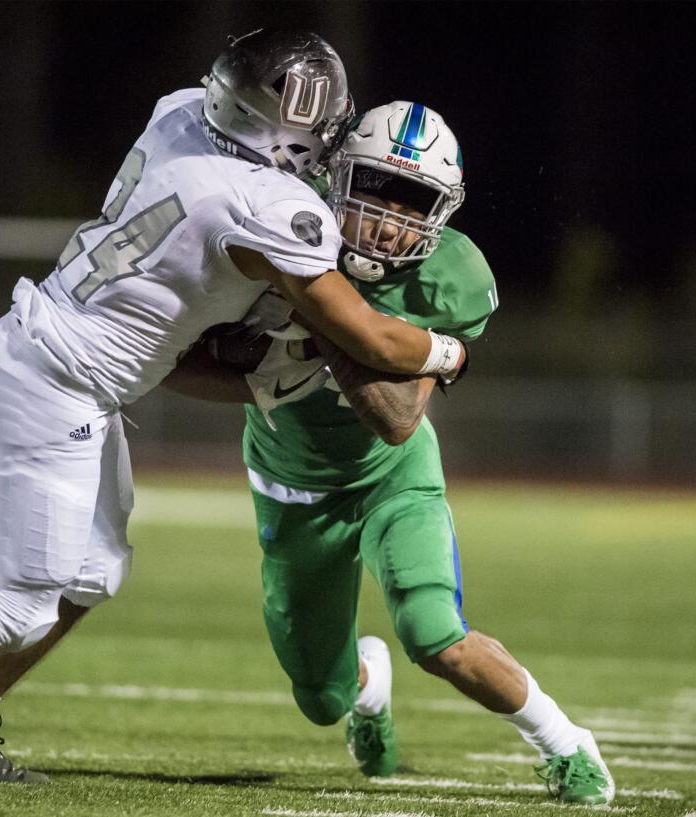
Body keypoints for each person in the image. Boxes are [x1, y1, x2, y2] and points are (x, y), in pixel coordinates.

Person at [0, 31, 470, 782]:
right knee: (15, 605)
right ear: (280, 134)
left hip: (52, 356)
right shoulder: (269, 204)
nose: (323, 140)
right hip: (55, 380)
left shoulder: (181, 112)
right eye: (314, 127)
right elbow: (369, 340)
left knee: (94, 569)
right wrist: (448, 352)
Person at [165, 101, 615, 805]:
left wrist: (318, 320)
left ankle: (565, 742)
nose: (388, 217)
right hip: (292, 486)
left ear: (444, 212)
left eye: (414, 200)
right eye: (375, 186)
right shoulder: (276, 220)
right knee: (321, 694)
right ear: (337, 175)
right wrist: (261, 371)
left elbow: (398, 418)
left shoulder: (449, 276)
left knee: (435, 632)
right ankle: (367, 687)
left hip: (391, 476)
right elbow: (170, 360)